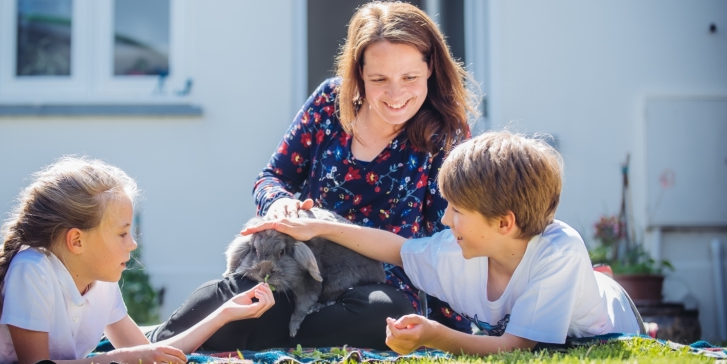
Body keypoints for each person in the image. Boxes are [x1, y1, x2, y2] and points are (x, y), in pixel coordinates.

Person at [148, 0, 478, 350]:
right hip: (302, 274)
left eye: (410, 78)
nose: (396, 94)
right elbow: (272, 177)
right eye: (379, 79)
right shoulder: (329, 101)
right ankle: (157, 342)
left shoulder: (446, 136)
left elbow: (444, 247)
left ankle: (257, 336)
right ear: (359, 73)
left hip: (376, 292)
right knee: (244, 294)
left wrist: (447, 333)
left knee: (386, 313)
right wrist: (279, 203)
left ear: (430, 69)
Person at [242, 131, 644, 356]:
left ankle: (616, 297)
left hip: (611, 320)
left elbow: (515, 348)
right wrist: (319, 228)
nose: (445, 219)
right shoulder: (459, 253)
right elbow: (396, 249)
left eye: (457, 211)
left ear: (504, 223)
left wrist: (432, 335)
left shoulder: (560, 250)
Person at [0, 157, 275, 363]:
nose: (132, 245)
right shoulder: (31, 271)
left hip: (1, 311)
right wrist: (120, 360)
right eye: (121, 233)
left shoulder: (100, 279)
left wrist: (227, 310)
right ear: (76, 241)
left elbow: (153, 352)